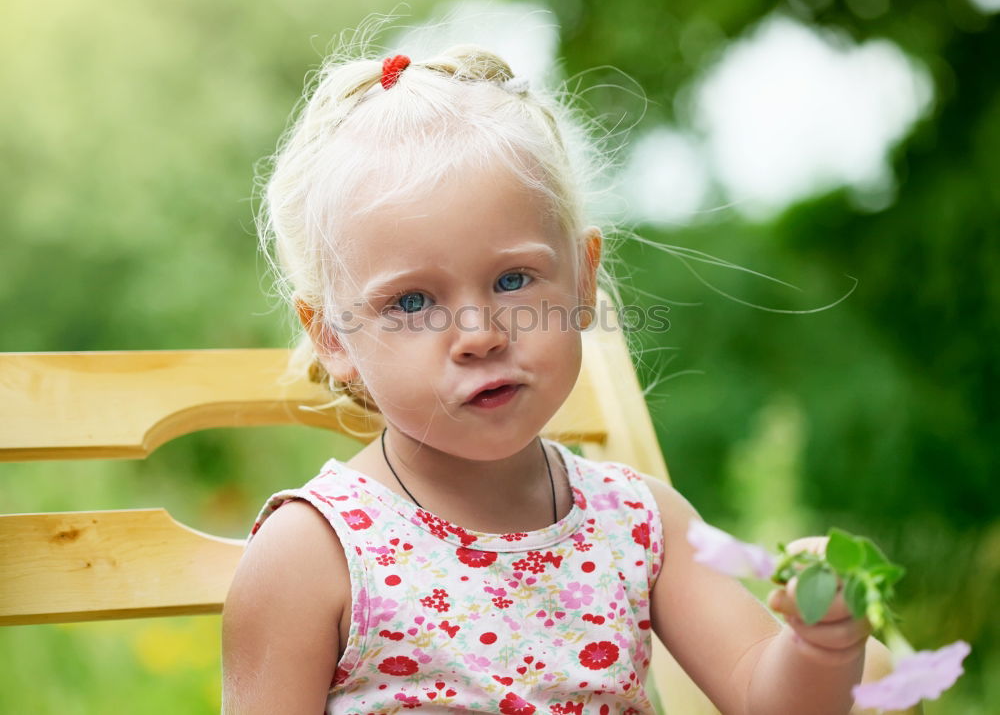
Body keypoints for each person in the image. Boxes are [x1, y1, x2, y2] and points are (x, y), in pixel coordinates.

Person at [222, 41, 891, 714]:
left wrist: (821, 648)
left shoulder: (638, 522)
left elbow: (763, 697)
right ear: (333, 337)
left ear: (582, 276)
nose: (480, 335)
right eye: (413, 302)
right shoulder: (313, 554)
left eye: (512, 280)